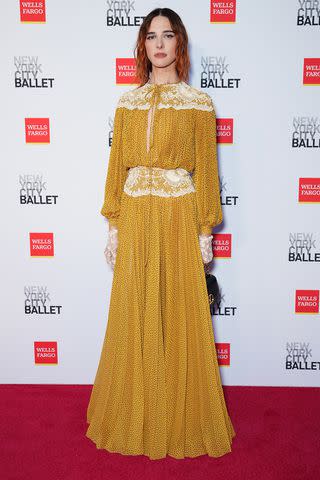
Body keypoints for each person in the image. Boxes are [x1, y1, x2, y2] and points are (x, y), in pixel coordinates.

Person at [86, 7, 236, 460]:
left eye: (167, 35)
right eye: (151, 36)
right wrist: (114, 223)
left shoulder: (199, 104)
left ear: (179, 44)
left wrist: (204, 228)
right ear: (142, 46)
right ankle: (138, 410)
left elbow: (206, 173)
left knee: (177, 312)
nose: (159, 44)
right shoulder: (127, 103)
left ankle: (178, 415)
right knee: (136, 310)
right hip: (136, 215)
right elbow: (117, 169)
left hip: (176, 218)